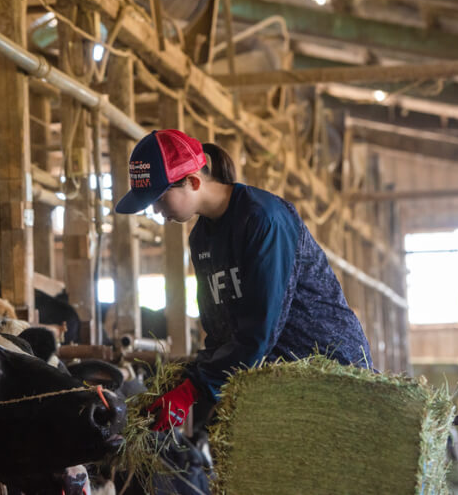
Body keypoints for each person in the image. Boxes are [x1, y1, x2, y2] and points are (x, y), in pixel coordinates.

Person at [115, 129, 373, 431]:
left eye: (159, 199)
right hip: (275, 379)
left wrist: (194, 388)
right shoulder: (201, 238)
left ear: (193, 181)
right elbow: (219, 331)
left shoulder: (264, 219)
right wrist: (188, 378)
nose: (158, 212)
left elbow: (260, 329)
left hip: (327, 370)